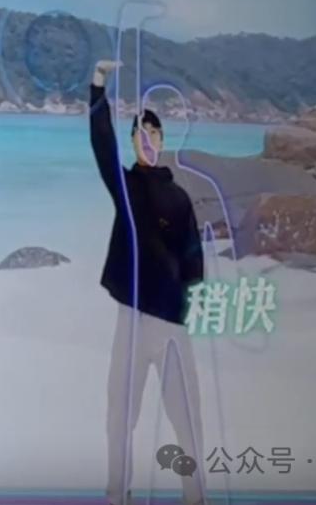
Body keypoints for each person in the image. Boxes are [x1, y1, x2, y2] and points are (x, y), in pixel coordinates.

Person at [88, 60, 206, 505]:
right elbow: (101, 143)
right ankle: (117, 495)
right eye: (141, 134)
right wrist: (98, 86)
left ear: (163, 140)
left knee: (187, 419)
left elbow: (193, 261)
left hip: (171, 326)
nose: (148, 140)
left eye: (155, 133)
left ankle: (196, 497)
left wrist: (186, 308)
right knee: (119, 416)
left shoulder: (179, 198)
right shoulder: (125, 186)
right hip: (132, 320)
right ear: (134, 141)